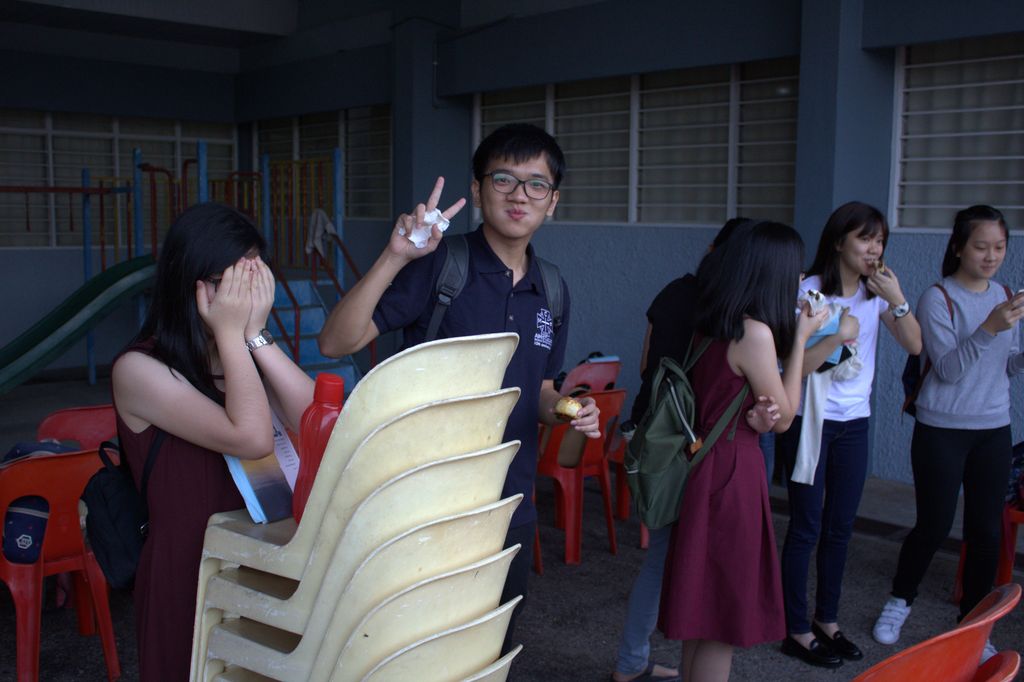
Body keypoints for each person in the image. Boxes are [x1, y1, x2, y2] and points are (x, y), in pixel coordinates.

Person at [317, 123, 601, 652]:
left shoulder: (553, 288)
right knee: (412, 648)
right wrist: (396, 256)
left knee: (490, 646)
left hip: (509, 503)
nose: (520, 195)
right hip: (425, 502)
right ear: (477, 189)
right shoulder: (441, 265)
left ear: (553, 201)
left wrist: (570, 409)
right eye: (503, 179)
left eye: (536, 184)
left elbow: (541, 390)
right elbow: (336, 341)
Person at [111, 203, 315, 681]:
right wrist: (231, 334)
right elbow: (250, 437)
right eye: (234, 282)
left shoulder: (244, 353)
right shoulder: (138, 370)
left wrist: (255, 335)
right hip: (188, 567)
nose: (247, 295)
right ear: (194, 286)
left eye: (256, 278)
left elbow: (317, 424)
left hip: (260, 557)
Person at [611, 218, 781, 682]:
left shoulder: (680, 297)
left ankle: (632, 660)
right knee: (700, 591)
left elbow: (647, 364)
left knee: (673, 569)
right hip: (707, 453)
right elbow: (781, 412)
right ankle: (630, 662)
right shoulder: (736, 321)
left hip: (665, 441)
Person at [658, 220, 827, 682]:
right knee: (721, 620)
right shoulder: (755, 333)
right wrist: (802, 340)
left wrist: (756, 414)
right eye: (795, 269)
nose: (800, 278)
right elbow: (786, 415)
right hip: (733, 473)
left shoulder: (714, 321)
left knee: (701, 615)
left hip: (705, 465)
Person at [872, 205, 1024, 661]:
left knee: (986, 533)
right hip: (942, 429)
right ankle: (900, 600)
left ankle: (973, 627)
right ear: (958, 247)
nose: (991, 256)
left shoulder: (1005, 294)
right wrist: (989, 327)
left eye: (999, 247)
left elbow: (1006, 366)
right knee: (934, 526)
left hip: (993, 428)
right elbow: (950, 370)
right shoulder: (938, 298)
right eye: (981, 247)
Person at [777, 201, 922, 669]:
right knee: (806, 527)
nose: (874, 248)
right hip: (810, 422)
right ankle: (795, 629)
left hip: (855, 423)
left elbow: (915, 343)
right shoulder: (808, 290)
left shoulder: (877, 294)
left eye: (880, 240)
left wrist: (897, 297)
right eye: (865, 238)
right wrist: (838, 335)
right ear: (839, 241)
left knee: (840, 528)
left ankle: (827, 620)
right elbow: (797, 366)